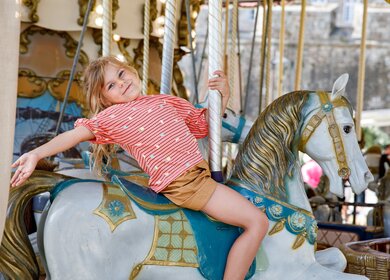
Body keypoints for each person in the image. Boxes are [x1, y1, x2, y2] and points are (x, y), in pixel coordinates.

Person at [10, 56, 269, 280]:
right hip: (186, 183)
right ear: (105, 99)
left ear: (132, 70)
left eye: (121, 74)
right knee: (256, 222)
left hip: (196, 176)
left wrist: (222, 95)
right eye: (111, 85)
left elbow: (204, 126)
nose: (121, 84)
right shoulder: (112, 117)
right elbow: (74, 136)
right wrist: (36, 153)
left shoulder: (166, 101)